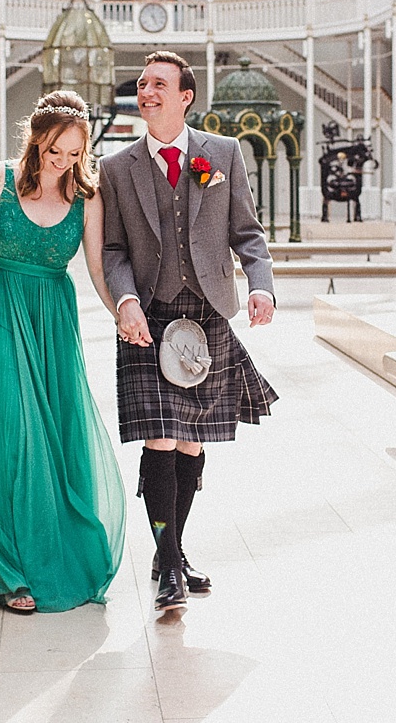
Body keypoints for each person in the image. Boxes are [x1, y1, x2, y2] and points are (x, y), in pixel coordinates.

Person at [99, 51, 278, 613]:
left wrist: (261, 283)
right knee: (159, 436)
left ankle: (168, 551)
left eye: (159, 84)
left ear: (185, 97)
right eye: (142, 83)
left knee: (193, 441)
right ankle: (170, 562)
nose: (146, 91)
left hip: (207, 313)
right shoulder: (116, 166)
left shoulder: (222, 153)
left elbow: (246, 231)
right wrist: (124, 300)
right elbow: (112, 249)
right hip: (147, 317)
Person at [0, 91, 125, 614]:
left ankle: (47, 548)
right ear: (36, 141)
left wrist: (121, 314)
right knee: (10, 427)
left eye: (74, 154)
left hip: (52, 317)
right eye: (55, 152)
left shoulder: (88, 196)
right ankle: (6, 569)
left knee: (54, 433)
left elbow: (95, 267)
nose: (64, 163)